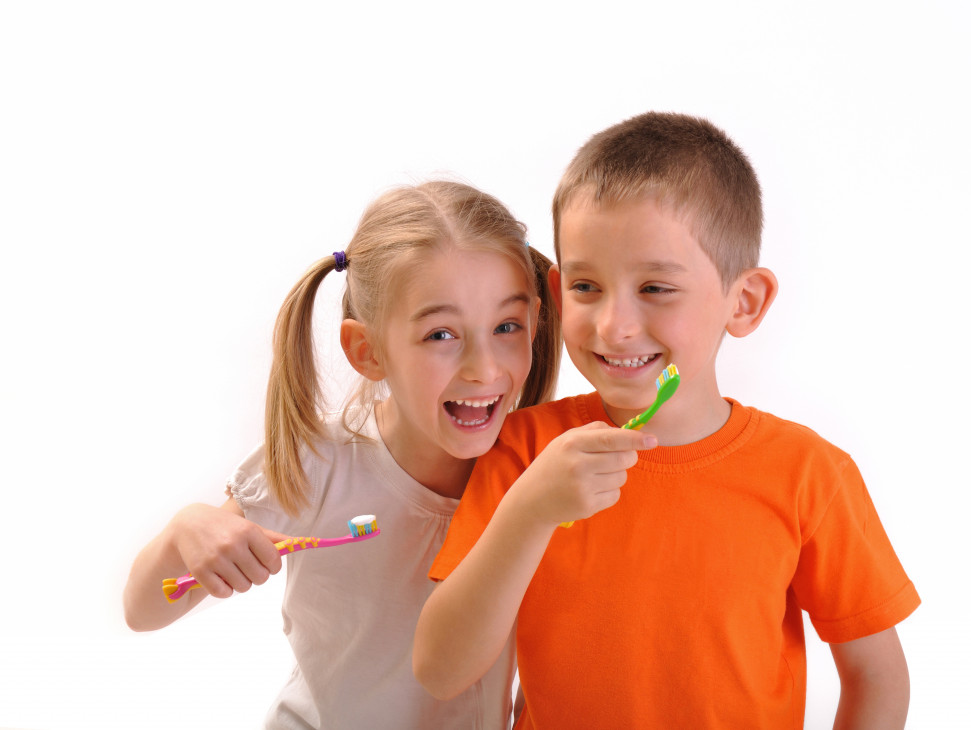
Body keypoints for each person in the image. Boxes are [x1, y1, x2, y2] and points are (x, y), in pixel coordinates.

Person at [414, 113, 920, 729]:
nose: (613, 325)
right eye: (586, 286)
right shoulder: (526, 451)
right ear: (555, 289)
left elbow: (876, 675)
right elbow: (442, 670)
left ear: (745, 301)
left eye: (655, 287)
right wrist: (530, 510)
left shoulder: (810, 474)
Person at [123, 180, 561, 729]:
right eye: (441, 334)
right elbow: (142, 612)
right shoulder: (320, 467)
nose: (483, 367)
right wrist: (186, 529)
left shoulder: (543, 474)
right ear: (367, 351)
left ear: (536, 322)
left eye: (506, 327)